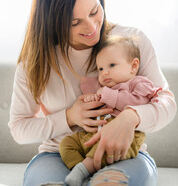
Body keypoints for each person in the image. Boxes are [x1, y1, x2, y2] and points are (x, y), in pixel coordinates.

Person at [8, 0, 177, 186]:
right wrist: (69, 117)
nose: (90, 27)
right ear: (51, 23)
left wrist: (130, 117)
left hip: (124, 154)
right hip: (57, 155)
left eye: (94, 11)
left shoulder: (130, 42)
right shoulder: (35, 62)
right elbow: (19, 128)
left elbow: (167, 103)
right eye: (74, 22)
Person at [60, 36, 162, 186]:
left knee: (105, 146)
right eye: (100, 69)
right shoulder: (104, 89)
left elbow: (139, 102)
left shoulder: (138, 83)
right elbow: (94, 108)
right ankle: (80, 168)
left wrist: (108, 95)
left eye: (112, 65)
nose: (104, 72)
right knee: (67, 143)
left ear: (133, 66)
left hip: (124, 138)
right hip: (93, 134)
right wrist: (92, 100)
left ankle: (84, 170)